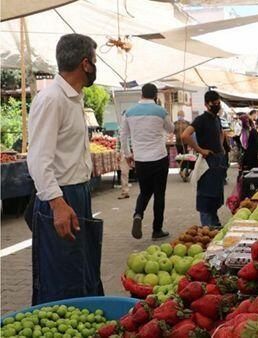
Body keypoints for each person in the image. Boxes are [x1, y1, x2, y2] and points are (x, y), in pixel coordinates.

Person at [27, 33, 104, 304]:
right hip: (60, 198)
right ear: (85, 64)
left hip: (77, 194)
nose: (95, 66)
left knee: (83, 272)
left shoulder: (74, 98)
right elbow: (38, 158)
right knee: (61, 280)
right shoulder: (52, 99)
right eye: (94, 60)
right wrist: (58, 203)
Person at [121, 83, 174, 240]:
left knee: (145, 192)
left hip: (141, 159)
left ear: (141, 94)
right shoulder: (161, 111)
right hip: (159, 157)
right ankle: (157, 230)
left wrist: (127, 154)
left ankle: (138, 214)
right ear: (155, 95)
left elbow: (123, 135)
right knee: (159, 195)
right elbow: (170, 129)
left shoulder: (129, 113)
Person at [182, 90, 229, 228]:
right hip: (207, 163)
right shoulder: (200, 119)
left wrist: (221, 148)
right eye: (214, 103)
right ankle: (207, 227)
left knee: (216, 195)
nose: (217, 105)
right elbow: (185, 135)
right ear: (206, 104)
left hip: (217, 161)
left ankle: (215, 224)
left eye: (219, 103)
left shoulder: (217, 118)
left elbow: (221, 133)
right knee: (206, 196)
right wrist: (201, 150)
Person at [116, 110, 131, 199]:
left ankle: (145, 191)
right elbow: (118, 141)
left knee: (141, 172)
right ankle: (125, 191)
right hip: (123, 152)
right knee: (124, 173)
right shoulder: (120, 128)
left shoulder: (134, 126)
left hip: (135, 152)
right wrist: (117, 152)